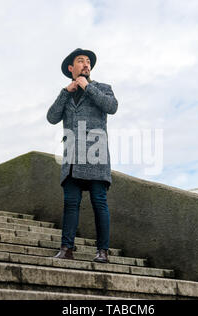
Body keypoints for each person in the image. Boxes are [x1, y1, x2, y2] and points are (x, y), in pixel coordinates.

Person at [46, 48, 118, 263]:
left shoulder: (103, 88)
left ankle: (102, 251)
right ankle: (66, 248)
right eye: (81, 61)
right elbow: (52, 117)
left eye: (88, 62)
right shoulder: (67, 94)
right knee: (70, 203)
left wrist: (88, 88)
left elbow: (111, 107)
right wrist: (65, 92)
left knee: (99, 202)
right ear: (71, 68)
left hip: (96, 154)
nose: (86, 64)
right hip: (71, 159)